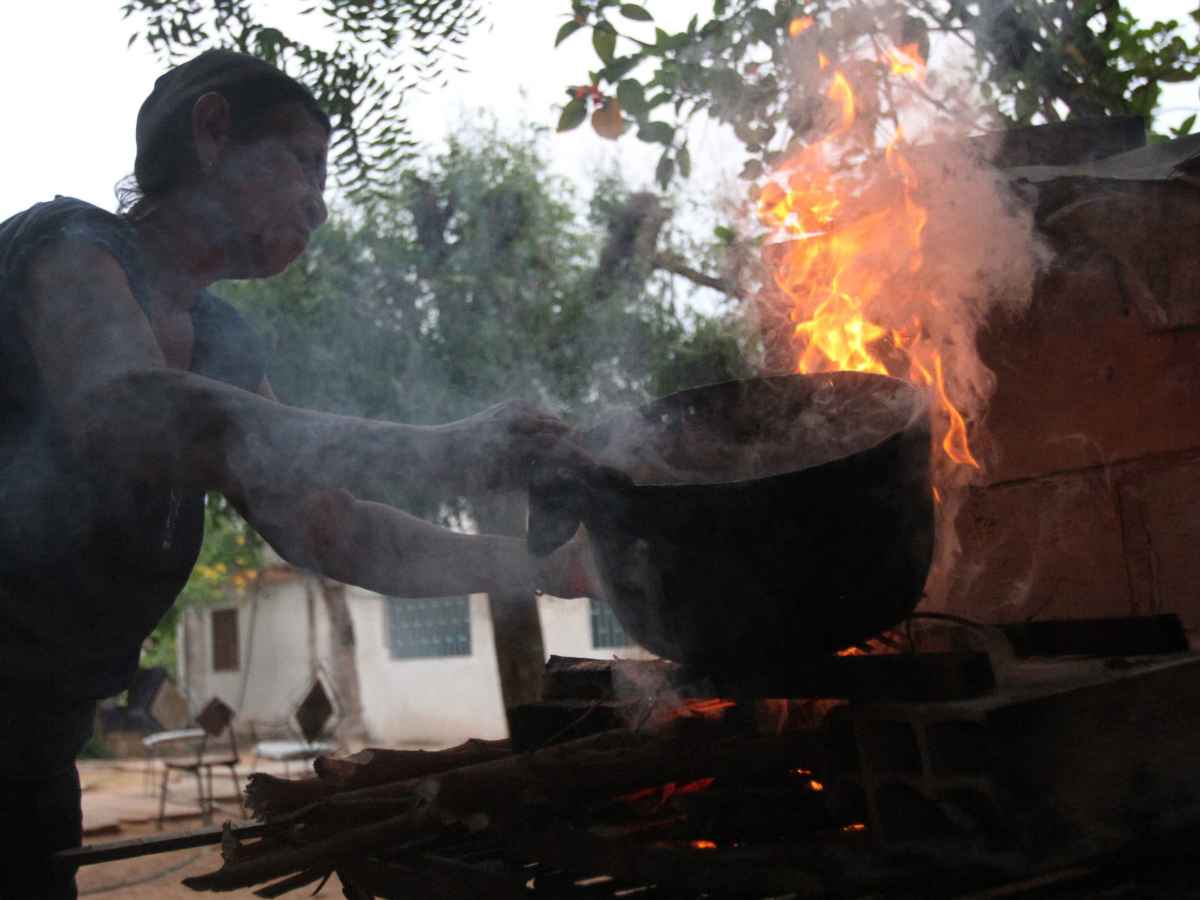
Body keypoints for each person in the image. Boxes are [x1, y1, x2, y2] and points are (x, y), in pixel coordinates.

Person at [0, 49, 592, 899]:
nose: (320, 200)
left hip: (29, 752)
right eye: (302, 162)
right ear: (211, 133)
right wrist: (449, 448)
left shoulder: (222, 340)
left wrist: (549, 569)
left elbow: (331, 526)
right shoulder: (68, 245)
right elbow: (125, 411)